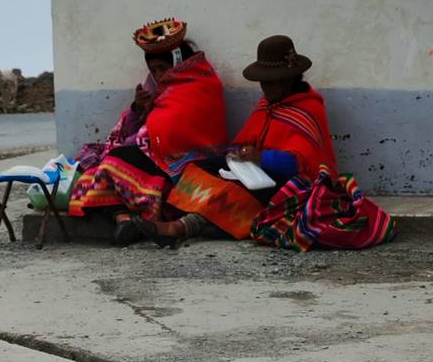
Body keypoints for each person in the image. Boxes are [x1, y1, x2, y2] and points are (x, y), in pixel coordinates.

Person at [136, 35, 393, 251]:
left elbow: (301, 164)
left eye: (271, 82)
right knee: (204, 168)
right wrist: (238, 156)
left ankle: (181, 228)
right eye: (263, 82)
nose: (265, 88)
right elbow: (244, 140)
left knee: (238, 190)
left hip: (296, 183)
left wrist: (261, 159)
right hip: (257, 174)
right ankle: (194, 220)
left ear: (289, 79)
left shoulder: (308, 109)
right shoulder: (267, 105)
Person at [68, 19, 227, 245]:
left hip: (183, 165)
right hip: (154, 156)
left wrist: (135, 140)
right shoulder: (156, 89)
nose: (159, 75)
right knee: (91, 175)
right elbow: (140, 132)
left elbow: (167, 134)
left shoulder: (200, 86)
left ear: (178, 62)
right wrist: (138, 109)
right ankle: (123, 220)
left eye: (163, 68)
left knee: (112, 164)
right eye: (153, 70)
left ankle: (128, 219)